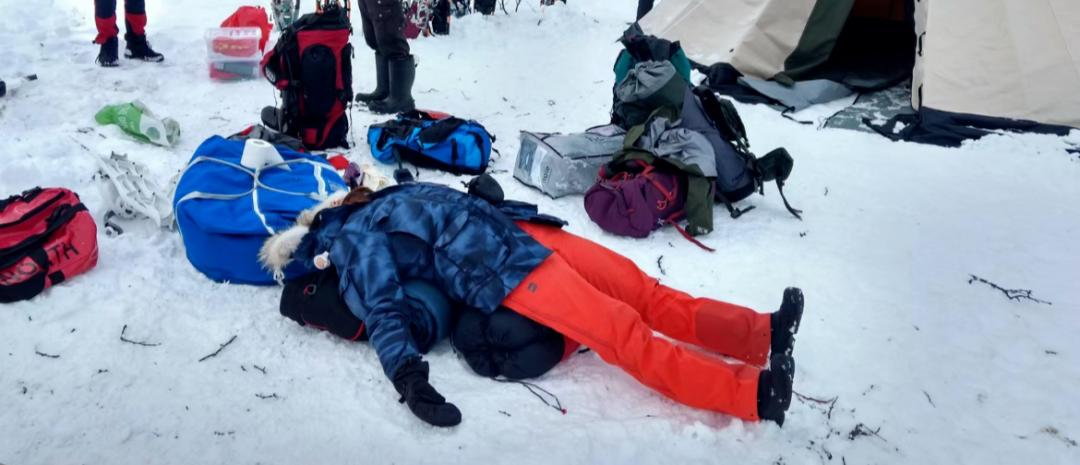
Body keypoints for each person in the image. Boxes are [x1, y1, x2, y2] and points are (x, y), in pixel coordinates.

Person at [267, 182, 804, 428]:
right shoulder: (353, 237)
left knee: (643, 291)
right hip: (506, 271)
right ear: (322, 222)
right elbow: (382, 302)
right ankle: (752, 396)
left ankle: (759, 334)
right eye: (337, 199)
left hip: (526, 234)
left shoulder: (384, 198)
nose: (349, 192)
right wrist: (409, 376)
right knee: (621, 332)